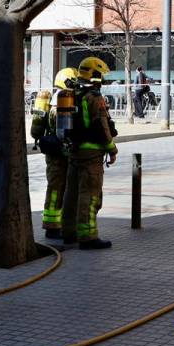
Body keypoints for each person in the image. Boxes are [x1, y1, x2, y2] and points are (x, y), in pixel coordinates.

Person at [70, 57, 118, 249]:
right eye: (101, 75)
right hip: (91, 154)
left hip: (75, 151)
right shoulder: (94, 97)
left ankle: (68, 231)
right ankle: (88, 236)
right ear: (94, 74)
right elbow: (101, 126)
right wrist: (111, 149)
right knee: (90, 196)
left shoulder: (72, 92)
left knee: (71, 194)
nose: (102, 80)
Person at [38, 68, 82, 244]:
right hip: (58, 153)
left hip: (55, 151)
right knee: (56, 189)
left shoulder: (58, 99)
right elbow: (63, 131)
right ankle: (51, 226)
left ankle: (59, 224)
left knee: (59, 188)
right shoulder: (61, 101)